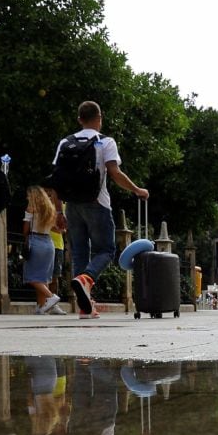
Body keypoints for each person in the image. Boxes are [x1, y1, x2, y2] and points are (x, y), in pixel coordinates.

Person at [58, 101, 149, 319]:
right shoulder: (105, 142)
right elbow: (115, 173)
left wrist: (58, 211)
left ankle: (85, 307)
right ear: (100, 118)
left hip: (72, 205)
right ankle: (86, 278)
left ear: (80, 119)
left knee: (79, 251)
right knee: (106, 250)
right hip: (97, 202)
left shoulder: (65, 142)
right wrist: (137, 189)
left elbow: (56, 179)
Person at [22, 186, 66, 315]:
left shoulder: (31, 208)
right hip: (49, 243)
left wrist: (26, 235)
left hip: (35, 241)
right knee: (43, 277)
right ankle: (42, 307)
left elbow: (25, 229)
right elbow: (57, 229)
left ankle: (51, 297)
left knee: (31, 276)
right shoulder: (51, 210)